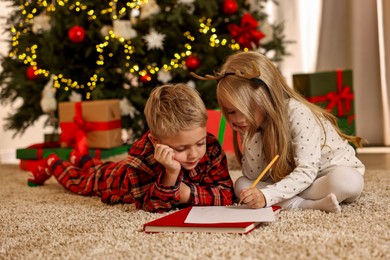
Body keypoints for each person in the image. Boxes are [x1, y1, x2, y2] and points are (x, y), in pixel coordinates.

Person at [192, 51, 365, 213]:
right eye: (231, 112)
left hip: (325, 176)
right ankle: (305, 204)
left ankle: (293, 200)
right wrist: (249, 134)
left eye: (248, 109)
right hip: (295, 183)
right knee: (242, 184)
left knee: (347, 181)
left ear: (266, 98)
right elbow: (255, 175)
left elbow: (307, 171)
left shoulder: (297, 112)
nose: (238, 118)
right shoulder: (256, 125)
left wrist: (267, 196)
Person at [28, 84, 235, 213]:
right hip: (114, 179)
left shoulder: (211, 146)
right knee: (82, 180)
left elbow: (227, 194)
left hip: (115, 167)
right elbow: (150, 206)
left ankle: (78, 157)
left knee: (94, 166)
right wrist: (171, 174)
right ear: (156, 141)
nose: (195, 154)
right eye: (181, 148)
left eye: (199, 143)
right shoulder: (141, 156)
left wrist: (188, 193)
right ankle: (54, 163)